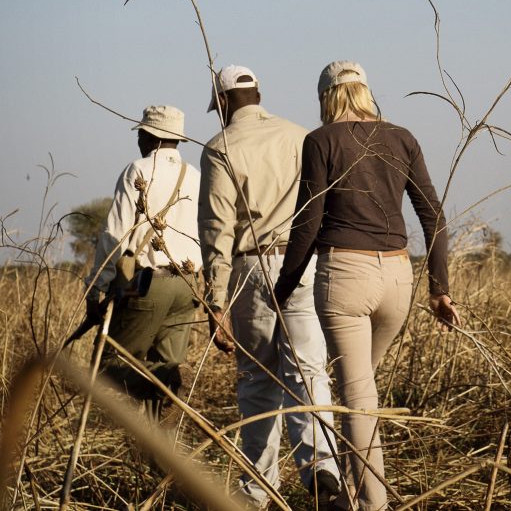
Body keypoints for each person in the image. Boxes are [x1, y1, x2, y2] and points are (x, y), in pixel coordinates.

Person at [273, 61, 460, 511]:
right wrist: (439, 289)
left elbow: (308, 222)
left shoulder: (320, 141)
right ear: (365, 91)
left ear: (326, 98)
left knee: (357, 396)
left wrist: (282, 289)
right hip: (399, 277)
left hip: (345, 276)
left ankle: (372, 505)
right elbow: (432, 214)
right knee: (363, 389)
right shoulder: (403, 137)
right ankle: (352, 496)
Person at [198, 65, 340, 509]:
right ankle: (323, 471)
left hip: (251, 267)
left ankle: (257, 491)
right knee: (309, 371)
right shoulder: (301, 136)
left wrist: (215, 299)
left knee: (257, 380)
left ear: (222, 103)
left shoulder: (220, 147)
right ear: (259, 94)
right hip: (304, 262)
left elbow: (217, 229)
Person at [85, 105, 201, 411]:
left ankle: (164, 381)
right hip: (188, 284)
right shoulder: (195, 176)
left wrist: (96, 286)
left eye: (140, 133)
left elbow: (115, 235)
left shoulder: (138, 170)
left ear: (149, 136)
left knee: (108, 365)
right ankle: (155, 454)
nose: (138, 139)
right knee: (162, 373)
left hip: (150, 284)